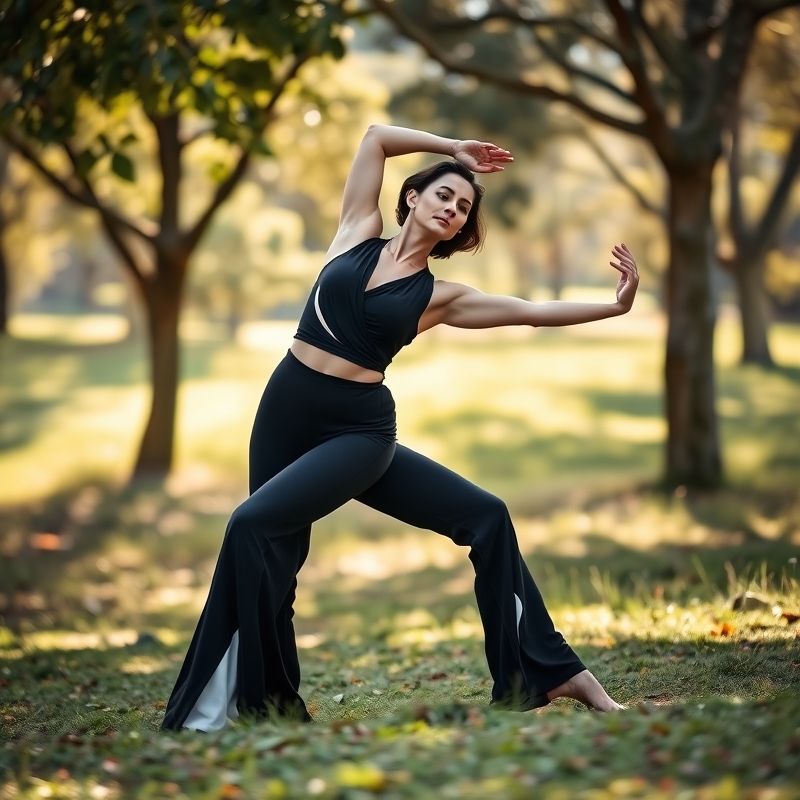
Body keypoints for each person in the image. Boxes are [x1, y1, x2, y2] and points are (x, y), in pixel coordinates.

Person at [160, 124, 637, 732]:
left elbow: (532, 313)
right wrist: (455, 152)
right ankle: (268, 705)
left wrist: (614, 305)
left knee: (249, 523)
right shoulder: (356, 231)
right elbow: (375, 138)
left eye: (463, 208)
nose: (454, 209)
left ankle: (549, 672)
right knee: (284, 550)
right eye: (445, 196)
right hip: (283, 409)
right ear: (413, 197)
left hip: (357, 433)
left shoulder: (439, 297)